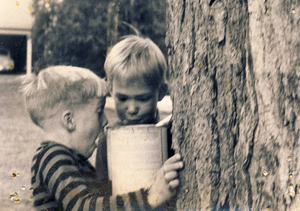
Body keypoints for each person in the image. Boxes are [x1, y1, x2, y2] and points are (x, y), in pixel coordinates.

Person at [21, 65, 183, 211]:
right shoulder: (53, 157)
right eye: (99, 112)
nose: (105, 120)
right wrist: (149, 197)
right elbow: (84, 207)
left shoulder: (74, 161)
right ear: (69, 120)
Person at [96, 35, 176, 210]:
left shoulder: (172, 134)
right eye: (122, 98)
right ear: (111, 91)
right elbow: (102, 196)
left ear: (161, 92)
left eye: (142, 98)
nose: (132, 109)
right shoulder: (107, 141)